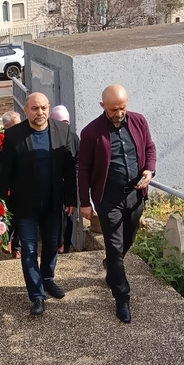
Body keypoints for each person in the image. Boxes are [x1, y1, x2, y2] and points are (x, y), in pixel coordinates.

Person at [79, 84, 156, 324]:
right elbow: (84, 169)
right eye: (113, 109)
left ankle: (111, 267)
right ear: (102, 106)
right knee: (114, 247)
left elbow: (149, 147)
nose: (119, 113)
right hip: (108, 198)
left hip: (135, 195)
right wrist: (84, 202)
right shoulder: (91, 132)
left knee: (128, 240)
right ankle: (122, 297)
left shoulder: (139, 121)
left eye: (122, 108)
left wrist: (149, 170)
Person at [0, 93, 77, 316]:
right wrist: (2, 206)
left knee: (52, 245)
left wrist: (71, 199)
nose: (40, 112)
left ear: (49, 108)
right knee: (30, 250)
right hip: (25, 206)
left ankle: (48, 280)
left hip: (53, 202)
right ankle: (37, 295)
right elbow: (5, 175)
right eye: (35, 108)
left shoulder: (63, 131)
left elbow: (70, 169)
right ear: (26, 110)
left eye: (43, 108)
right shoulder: (13, 135)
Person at [50, 105, 80, 254]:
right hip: (51, 184)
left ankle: (65, 245)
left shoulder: (73, 138)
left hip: (67, 184)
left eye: (66, 122)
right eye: (61, 122)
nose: (64, 126)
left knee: (68, 216)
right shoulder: (48, 136)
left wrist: (73, 174)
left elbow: (78, 160)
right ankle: (55, 244)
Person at [0, 111, 22, 259]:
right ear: (6, 127)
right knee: (7, 215)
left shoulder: (24, 137)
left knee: (20, 216)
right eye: (16, 125)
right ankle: (6, 239)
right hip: (4, 185)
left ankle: (17, 247)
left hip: (21, 184)